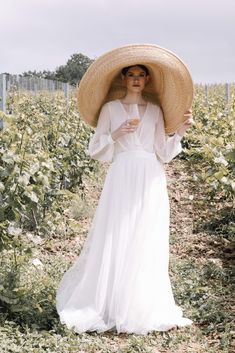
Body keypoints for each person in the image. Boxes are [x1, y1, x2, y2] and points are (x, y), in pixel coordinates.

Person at [56, 44, 194, 335]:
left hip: (149, 177)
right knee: (117, 233)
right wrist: (116, 134)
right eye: (130, 74)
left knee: (144, 235)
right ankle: (108, 304)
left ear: (147, 80)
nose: (135, 79)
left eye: (141, 74)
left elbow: (162, 152)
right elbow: (95, 148)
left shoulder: (155, 111)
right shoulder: (110, 109)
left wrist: (180, 131)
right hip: (121, 174)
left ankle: (139, 305)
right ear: (123, 78)